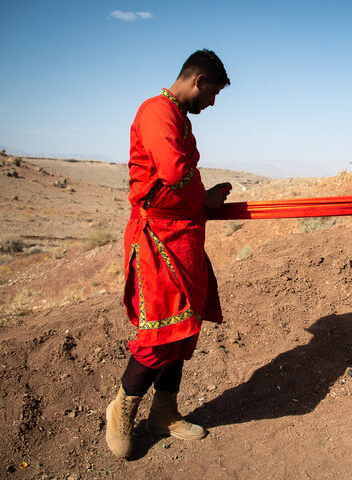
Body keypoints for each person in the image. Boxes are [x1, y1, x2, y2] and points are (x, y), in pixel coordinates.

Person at [105, 49, 232, 459]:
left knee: (184, 328)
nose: (212, 103)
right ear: (197, 80)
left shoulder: (177, 115)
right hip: (157, 239)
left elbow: (179, 177)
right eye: (212, 93)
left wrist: (204, 202)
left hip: (184, 236)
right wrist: (207, 200)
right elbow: (176, 173)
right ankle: (122, 408)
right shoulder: (157, 111)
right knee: (160, 331)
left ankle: (164, 412)